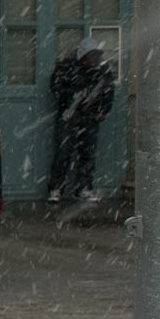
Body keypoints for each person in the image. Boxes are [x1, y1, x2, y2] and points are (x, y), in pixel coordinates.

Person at [46, 36, 113, 203]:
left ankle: (84, 187)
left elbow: (108, 90)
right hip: (69, 116)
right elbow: (56, 87)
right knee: (63, 153)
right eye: (90, 56)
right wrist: (72, 95)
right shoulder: (66, 68)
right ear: (82, 56)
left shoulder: (101, 71)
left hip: (89, 118)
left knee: (87, 153)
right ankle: (56, 188)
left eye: (95, 56)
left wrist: (103, 110)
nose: (93, 60)